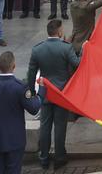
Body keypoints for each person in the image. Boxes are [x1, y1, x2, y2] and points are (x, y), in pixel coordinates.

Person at [27, 18, 80, 169]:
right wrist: (84, 52)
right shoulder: (66, 48)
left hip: (45, 93)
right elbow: (77, 64)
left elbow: (31, 73)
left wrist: (31, 92)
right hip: (61, 93)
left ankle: (43, 157)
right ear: (59, 32)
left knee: (45, 126)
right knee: (60, 126)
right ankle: (59, 156)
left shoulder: (37, 49)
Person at [0, 50, 41, 174]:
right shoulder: (20, 87)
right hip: (15, 140)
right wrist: (39, 95)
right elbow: (34, 109)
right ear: (14, 66)